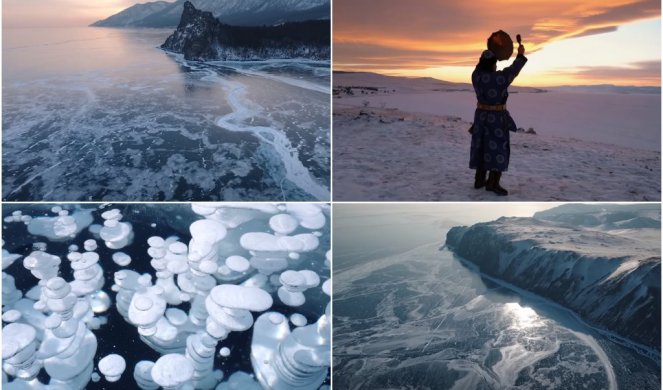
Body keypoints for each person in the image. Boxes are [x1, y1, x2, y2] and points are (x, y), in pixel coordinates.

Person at [469, 33, 527, 196]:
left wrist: (490, 52)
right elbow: (514, 69)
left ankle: (479, 180)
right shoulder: (499, 79)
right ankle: (493, 183)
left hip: (480, 117)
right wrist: (520, 54)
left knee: (481, 146)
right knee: (497, 149)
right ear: (493, 64)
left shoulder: (476, 76)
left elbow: (480, 67)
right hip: (496, 119)